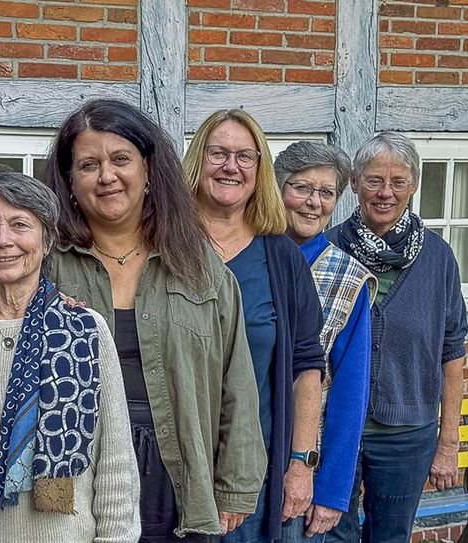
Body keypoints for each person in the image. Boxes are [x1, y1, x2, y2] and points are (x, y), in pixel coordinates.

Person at [43, 99, 264, 542]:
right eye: (89, 164)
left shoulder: (200, 267)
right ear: (69, 181)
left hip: (177, 468)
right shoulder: (45, 265)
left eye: (121, 159)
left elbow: (236, 381)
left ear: (147, 171)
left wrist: (235, 485)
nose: (107, 176)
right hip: (75, 469)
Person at [0, 172, 140, 542]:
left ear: (47, 241)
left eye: (20, 225)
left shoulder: (85, 330)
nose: (3, 240)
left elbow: (115, 465)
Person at [182, 109, 326, 543]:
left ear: (259, 170)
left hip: (259, 472)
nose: (231, 166)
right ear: (197, 161)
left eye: (246, 156)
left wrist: (300, 462)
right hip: (175, 472)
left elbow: (307, 366)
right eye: (218, 153)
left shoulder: (281, 258)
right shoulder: (165, 247)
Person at [325, 132, 468, 543]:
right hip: (336, 430)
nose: (385, 193)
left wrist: (448, 442)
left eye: (398, 182)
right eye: (373, 180)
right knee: (330, 533)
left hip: (407, 436)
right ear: (354, 183)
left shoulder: (438, 258)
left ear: (414, 186)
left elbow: (452, 351)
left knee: (391, 537)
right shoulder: (329, 249)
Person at [273, 141, 377, 541]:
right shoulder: (248, 254)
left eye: (326, 192)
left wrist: (332, 491)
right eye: (301, 188)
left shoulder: (349, 278)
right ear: (277, 189)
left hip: (305, 463)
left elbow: (350, 394)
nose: (313, 203)